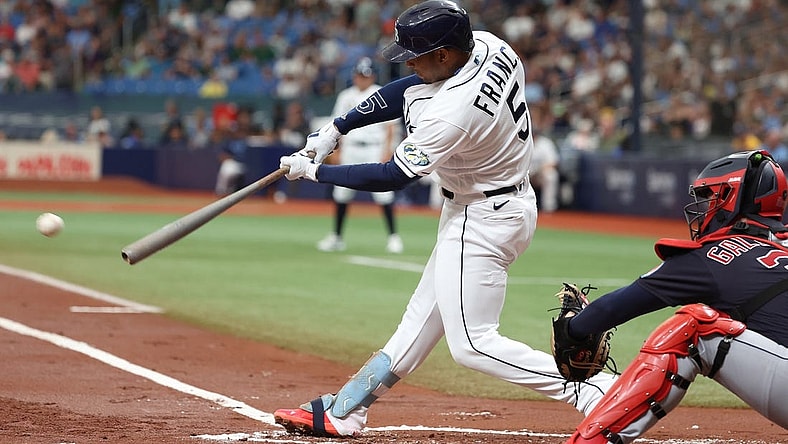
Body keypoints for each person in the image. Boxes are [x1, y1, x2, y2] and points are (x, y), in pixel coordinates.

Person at [275, 1, 616, 437]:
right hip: (492, 204)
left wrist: (315, 171)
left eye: (417, 55)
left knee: (473, 344)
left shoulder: (453, 113)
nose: (410, 64)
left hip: (483, 216)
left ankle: (594, 391)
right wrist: (337, 128)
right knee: (418, 323)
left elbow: (391, 175)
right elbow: (406, 91)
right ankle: (346, 409)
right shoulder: (491, 46)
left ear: (444, 54)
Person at [559, 150, 788, 443]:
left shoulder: (712, 256)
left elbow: (616, 307)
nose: (703, 207)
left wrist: (572, 329)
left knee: (694, 329)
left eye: (711, 197)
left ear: (734, 198)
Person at [316, 57, 404, 254]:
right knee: (341, 194)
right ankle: (337, 237)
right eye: (359, 75)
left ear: (372, 76)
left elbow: (390, 127)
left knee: (384, 193)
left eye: (366, 75)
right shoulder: (346, 95)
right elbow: (336, 127)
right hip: (351, 148)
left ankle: (393, 238)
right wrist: (337, 151)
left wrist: (387, 151)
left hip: (374, 147)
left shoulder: (381, 92)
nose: (362, 79)